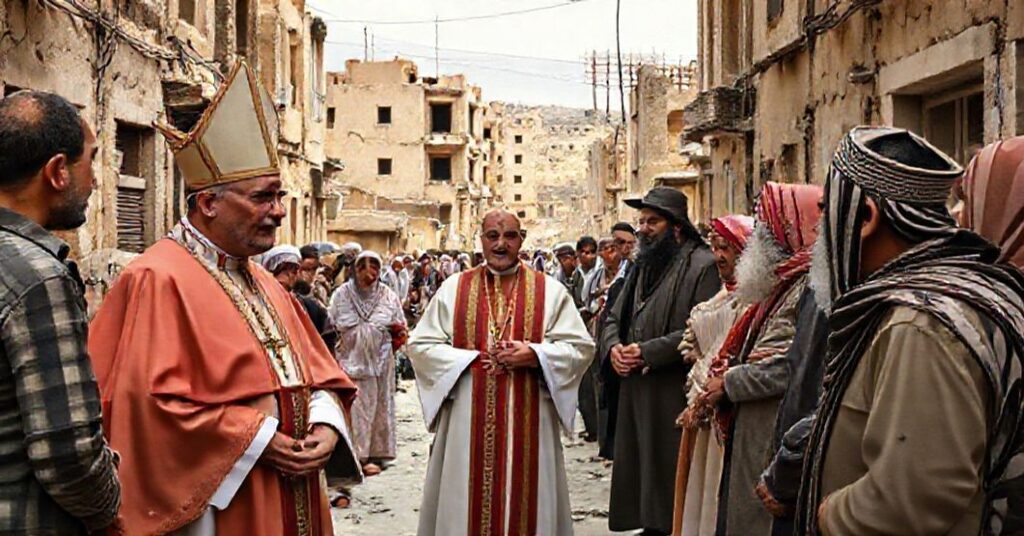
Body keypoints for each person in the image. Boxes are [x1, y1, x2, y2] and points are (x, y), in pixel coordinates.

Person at [88, 62, 359, 535]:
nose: (278, 212)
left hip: (292, 490)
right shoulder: (156, 277)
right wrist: (253, 439)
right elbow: (139, 411)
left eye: (279, 196)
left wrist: (324, 426)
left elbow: (320, 376)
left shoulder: (266, 281)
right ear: (209, 202)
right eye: (263, 197)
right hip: (222, 504)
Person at [797, 127, 1024, 535]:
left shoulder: (920, 324)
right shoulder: (946, 295)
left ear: (865, 217)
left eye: (826, 210)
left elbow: (908, 500)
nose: (821, 232)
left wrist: (829, 513)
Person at [408, 209, 595, 535]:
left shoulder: (549, 291)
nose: (500, 244)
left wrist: (536, 355)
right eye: (492, 236)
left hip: (531, 419)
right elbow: (421, 345)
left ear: (521, 240)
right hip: (467, 421)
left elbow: (580, 348)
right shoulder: (454, 288)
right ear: (480, 240)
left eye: (509, 236)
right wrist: (464, 361)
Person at [0, 91, 121, 533]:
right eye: (91, 161)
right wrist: (110, 515)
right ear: (56, 172)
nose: (94, 181)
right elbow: (68, 453)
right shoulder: (39, 277)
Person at [704, 182, 821, 536]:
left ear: (790, 230)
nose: (758, 238)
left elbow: (792, 365)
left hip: (773, 430)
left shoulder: (810, 288)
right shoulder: (785, 283)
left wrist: (730, 381)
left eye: (768, 228)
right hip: (755, 426)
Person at [605, 188, 721, 535]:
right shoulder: (642, 266)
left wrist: (647, 351)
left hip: (673, 393)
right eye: (641, 221)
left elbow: (701, 330)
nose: (643, 228)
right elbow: (614, 316)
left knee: (672, 479)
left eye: (652, 221)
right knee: (643, 477)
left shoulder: (704, 265)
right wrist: (613, 348)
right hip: (637, 389)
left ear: (677, 227)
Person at [671, 215, 754, 536]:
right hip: (703, 416)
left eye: (728, 249)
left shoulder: (753, 304)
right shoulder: (710, 306)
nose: (719, 256)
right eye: (716, 247)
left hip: (732, 414)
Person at [329, 251, 407, 478]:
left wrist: (391, 343)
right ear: (354, 269)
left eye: (374, 267)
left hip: (380, 362)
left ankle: (374, 453)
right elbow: (331, 325)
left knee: (378, 407)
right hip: (347, 361)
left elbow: (399, 326)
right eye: (363, 267)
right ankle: (354, 456)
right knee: (354, 409)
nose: (368, 272)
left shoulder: (388, 296)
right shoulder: (341, 295)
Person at [596, 222, 638, 460]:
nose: (623, 249)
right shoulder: (625, 275)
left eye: (627, 243)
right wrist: (612, 346)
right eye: (618, 243)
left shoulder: (635, 271)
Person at [553, 242, 584, 309]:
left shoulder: (582, 275)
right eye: (560, 260)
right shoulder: (557, 277)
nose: (562, 264)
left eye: (565, 260)